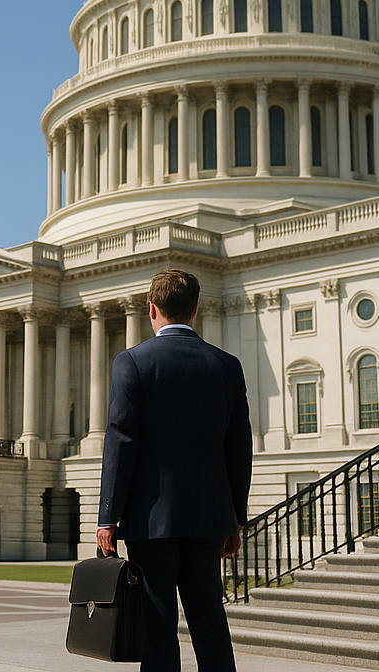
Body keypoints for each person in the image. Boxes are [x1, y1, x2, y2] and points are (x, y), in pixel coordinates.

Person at [96, 268, 253, 672]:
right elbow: (239, 450)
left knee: (158, 625)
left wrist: (108, 515)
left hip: (150, 521)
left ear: (151, 309)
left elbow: (120, 442)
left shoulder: (132, 362)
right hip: (207, 519)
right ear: (195, 310)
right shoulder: (227, 365)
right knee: (209, 621)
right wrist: (235, 517)